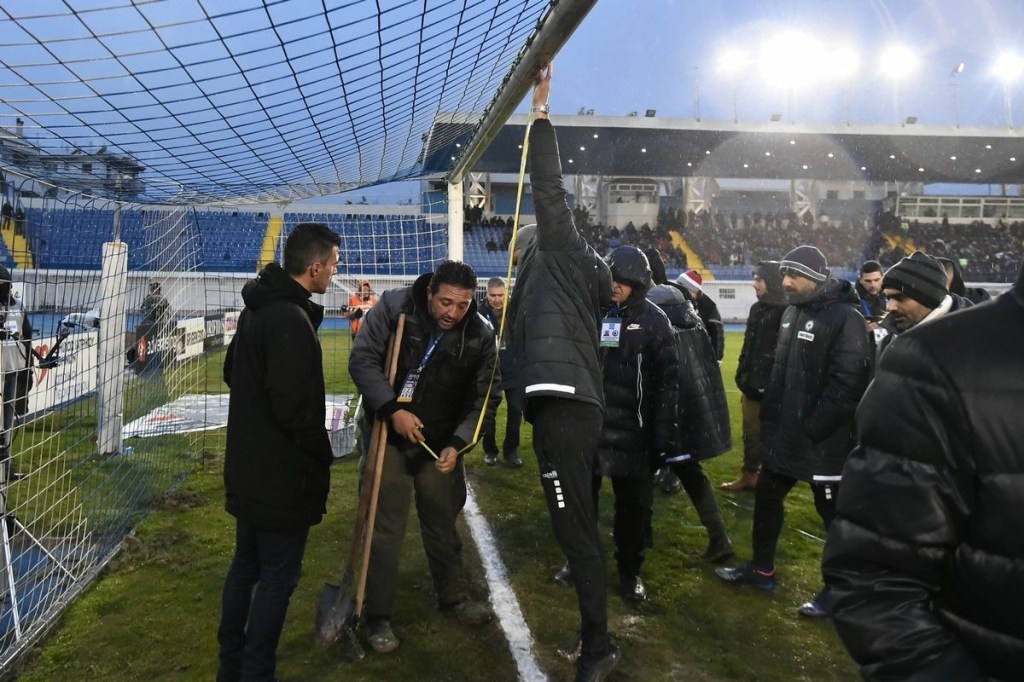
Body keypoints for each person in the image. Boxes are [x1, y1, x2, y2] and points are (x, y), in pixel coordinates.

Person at [822, 266, 1024, 681]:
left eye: (899, 296)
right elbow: (876, 578)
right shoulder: (937, 360)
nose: (889, 305)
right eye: (887, 296)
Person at [508, 64, 619, 682]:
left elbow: (548, 189)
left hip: (569, 409)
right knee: (572, 524)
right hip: (565, 406)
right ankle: (595, 632)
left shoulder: (562, 250)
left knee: (575, 528)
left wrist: (542, 112)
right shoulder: (575, 283)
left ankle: (600, 646)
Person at [348, 260, 497, 655]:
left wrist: (459, 443)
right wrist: (391, 409)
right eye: (445, 302)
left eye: (462, 305)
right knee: (386, 528)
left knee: (442, 523)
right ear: (430, 293)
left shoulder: (480, 336)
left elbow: (484, 400)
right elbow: (362, 361)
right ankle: (377, 615)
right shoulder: (395, 308)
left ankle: (452, 596)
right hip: (388, 436)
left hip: (440, 443)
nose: (452, 312)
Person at [716, 245, 871, 619]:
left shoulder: (845, 318)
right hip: (786, 437)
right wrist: (773, 418)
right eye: (784, 274)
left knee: (833, 517)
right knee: (767, 500)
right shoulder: (791, 313)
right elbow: (782, 375)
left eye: (794, 276)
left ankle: (840, 591)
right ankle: (762, 570)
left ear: (816, 278)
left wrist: (813, 427)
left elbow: (848, 384)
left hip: (824, 443)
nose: (785, 282)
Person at [217, 222, 340, 682]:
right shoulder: (287, 319)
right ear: (314, 268)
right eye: (332, 265)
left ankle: (230, 666)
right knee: (276, 578)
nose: (333, 272)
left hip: (248, 469)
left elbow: (233, 371)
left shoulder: (258, 311)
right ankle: (255, 671)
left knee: (245, 568)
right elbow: (295, 411)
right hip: (279, 478)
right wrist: (321, 452)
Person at [589, 246, 678, 602]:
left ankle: (630, 572)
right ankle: (580, 561)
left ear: (638, 283)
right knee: (584, 505)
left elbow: (669, 386)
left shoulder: (656, 322)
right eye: (613, 279)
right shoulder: (594, 314)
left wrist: (662, 438)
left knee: (633, 513)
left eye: (624, 281)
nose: (616, 287)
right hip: (593, 432)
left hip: (635, 437)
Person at [644, 250, 734, 565]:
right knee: (691, 474)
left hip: (668, 415)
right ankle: (719, 536)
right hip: (690, 415)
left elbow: (654, 375)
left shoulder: (659, 326)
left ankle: (641, 534)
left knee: (640, 471)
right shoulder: (693, 323)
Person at [723, 261, 786, 492]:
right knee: (751, 434)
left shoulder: (786, 311)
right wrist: (743, 375)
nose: (754, 284)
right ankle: (750, 475)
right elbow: (749, 347)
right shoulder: (756, 309)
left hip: (774, 389)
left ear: (771, 281)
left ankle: (768, 479)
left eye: (759, 279)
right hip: (751, 385)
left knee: (772, 437)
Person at [874, 251, 968, 361]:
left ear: (928, 298)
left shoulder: (968, 344)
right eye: (888, 298)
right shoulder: (887, 343)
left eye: (900, 297)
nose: (890, 307)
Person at [478, 276, 522, 467]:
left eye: (501, 295)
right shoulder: (479, 313)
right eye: (493, 295)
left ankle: (511, 450)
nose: (497, 299)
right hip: (490, 368)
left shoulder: (514, 311)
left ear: (507, 294)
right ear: (486, 294)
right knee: (490, 413)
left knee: (515, 409)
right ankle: (490, 451)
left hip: (513, 368)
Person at [675, 268, 724, 362]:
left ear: (693, 290)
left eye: (681, 287)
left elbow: (717, 334)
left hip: (699, 358)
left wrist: (716, 358)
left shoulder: (709, 307)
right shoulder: (677, 302)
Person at [854, 260, 886, 331]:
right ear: (860, 280)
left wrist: (882, 325)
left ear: (883, 278)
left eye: (876, 280)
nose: (873, 285)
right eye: (868, 281)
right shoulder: (852, 301)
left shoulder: (892, 297)